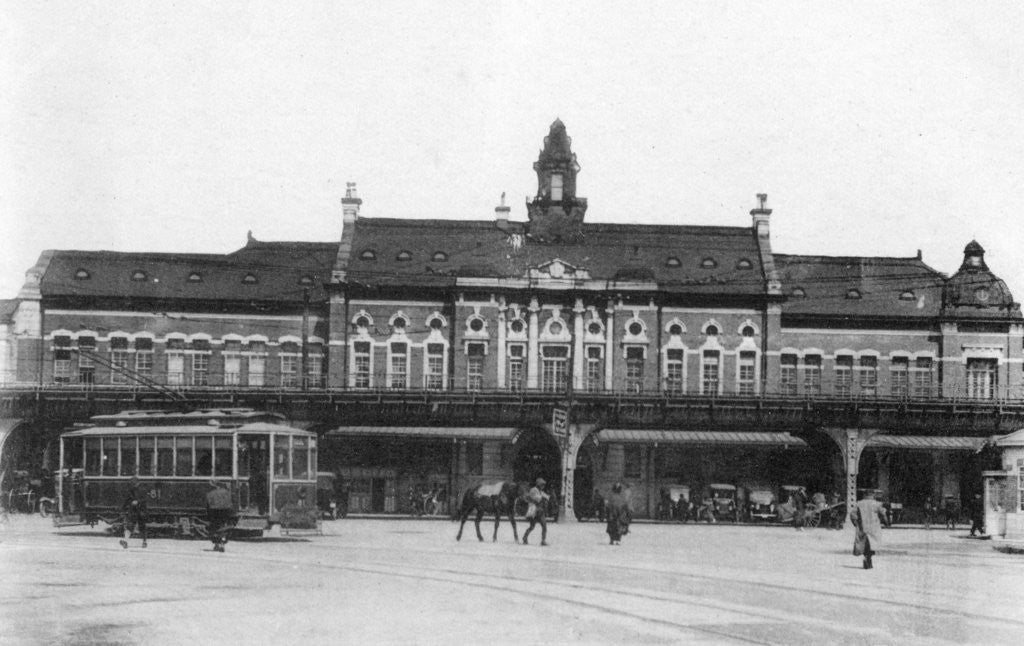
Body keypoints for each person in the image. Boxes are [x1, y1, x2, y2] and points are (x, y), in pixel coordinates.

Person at [849, 489, 888, 569]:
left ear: (865, 495)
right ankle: (869, 558)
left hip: (862, 527)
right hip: (874, 528)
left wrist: (855, 523)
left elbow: (852, 514)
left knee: (864, 543)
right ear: (873, 495)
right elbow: (883, 514)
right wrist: (886, 522)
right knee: (872, 544)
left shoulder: (859, 503)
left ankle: (866, 557)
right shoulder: (877, 504)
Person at [206, 479, 235, 553]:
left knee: (215, 527)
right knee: (223, 527)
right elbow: (231, 503)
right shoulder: (227, 492)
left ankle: (216, 544)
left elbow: (208, 505)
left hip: (214, 512)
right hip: (225, 512)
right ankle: (222, 544)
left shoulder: (210, 494)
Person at [119, 477, 148, 549]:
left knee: (142, 527)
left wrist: (138, 502)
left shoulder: (143, 490)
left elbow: (145, 499)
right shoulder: (131, 490)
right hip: (133, 511)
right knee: (130, 526)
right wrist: (122, 509)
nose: (133, 485)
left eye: (134, 483)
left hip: (141, 510)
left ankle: (144, 542)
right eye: (132, 483)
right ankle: (125, 542)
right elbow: (126, 500)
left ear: (138, 483)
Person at [522, 478, 550, 546]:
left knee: (544, 526)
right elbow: (537, 499)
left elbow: (547, 497)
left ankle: (543, 540)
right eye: (542, 484)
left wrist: (545, 497)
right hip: (535, 511)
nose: (543, 486)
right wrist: (543, 497)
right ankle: (524, 537)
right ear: (538, 484)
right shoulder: (533, 490)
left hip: (540, 511)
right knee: (532, 526)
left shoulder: (540, 491)